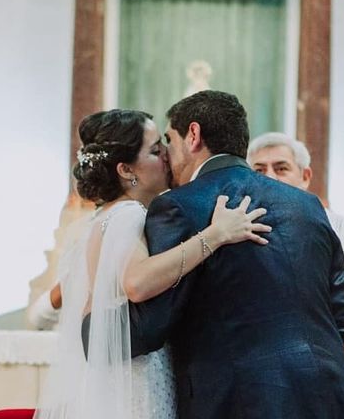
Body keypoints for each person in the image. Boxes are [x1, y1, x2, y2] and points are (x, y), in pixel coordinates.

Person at [126, 91, 344, 419]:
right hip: (329, 392)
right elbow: (343, 318)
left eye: (170, 139)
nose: (167, 153)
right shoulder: (306, 204)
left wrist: (93, 324)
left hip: (239, 399)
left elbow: (152, 324)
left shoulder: (178, 205)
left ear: (193, 135)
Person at [33, 109, 270, 419]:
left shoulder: (100, 220)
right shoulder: (128, 214)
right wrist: (216, 235)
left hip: (115, 373)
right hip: (137, 376)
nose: (167, 158)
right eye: (156, 151)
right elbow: (138, 283)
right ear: (126, 169)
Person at [247, 131, 344, 416]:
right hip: (260, 374)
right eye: (259, 169)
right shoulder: (239, 227)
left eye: (282, 168)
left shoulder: (339, 229)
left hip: (323, 369)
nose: (271, 177)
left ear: (305, 176)